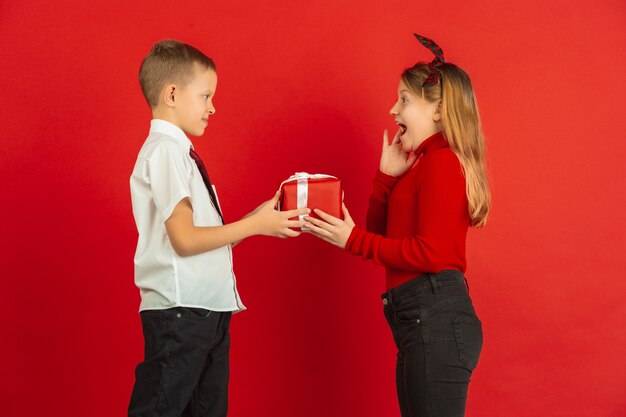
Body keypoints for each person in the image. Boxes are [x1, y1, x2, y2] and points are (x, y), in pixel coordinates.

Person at [304, 34, 490, 417]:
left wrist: (352, 240)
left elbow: (431, 253)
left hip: (434, 315)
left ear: (438, 110)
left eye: (404, 100)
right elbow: (383, 237)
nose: (393, 110)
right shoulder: (423, 165)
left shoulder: (441, 164)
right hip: (420, 318)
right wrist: (386, 179)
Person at [128, 39, 309, 417]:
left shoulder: (179, 153)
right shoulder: (165, 150)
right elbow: (185, 240)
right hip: (183, 311)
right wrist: (257, 225)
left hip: (206, 309)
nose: (213, 107)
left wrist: (253, 221)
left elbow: (202, 239)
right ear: (173, 94)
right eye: (206, 95)